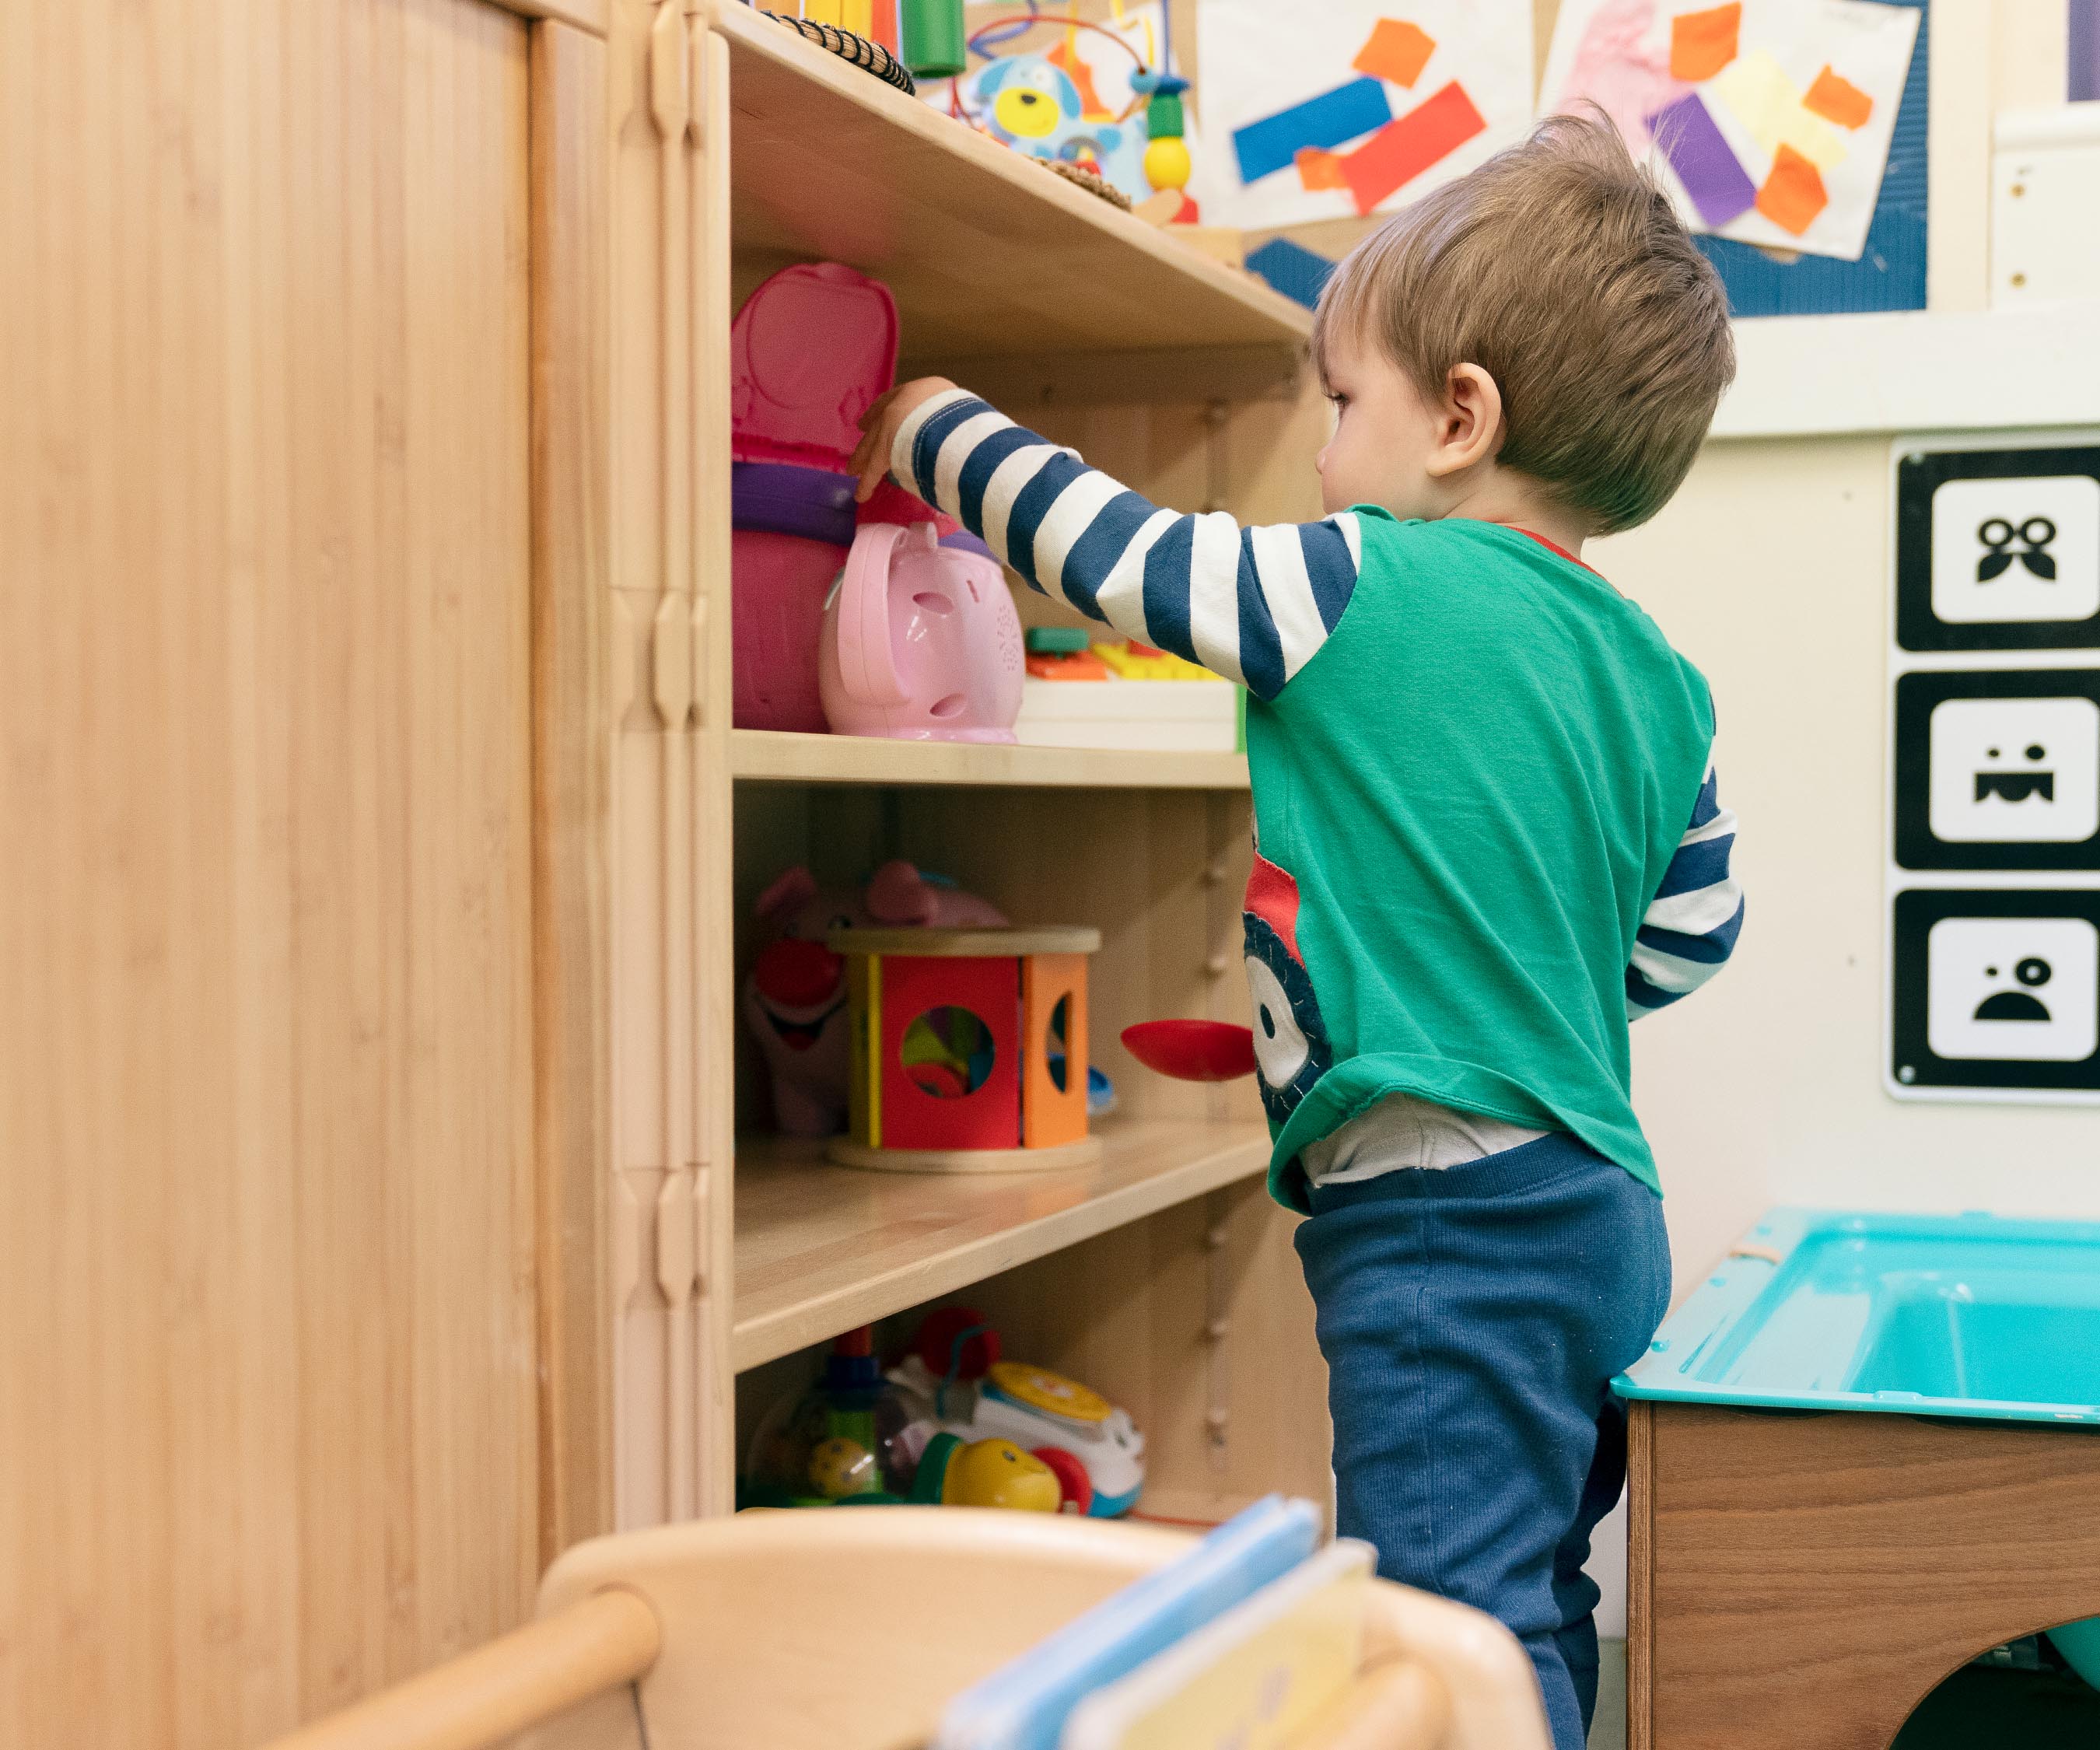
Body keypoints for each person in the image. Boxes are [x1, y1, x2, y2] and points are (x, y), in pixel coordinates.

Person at [851, 111, 1745, 1749]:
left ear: (1461, 419)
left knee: (1434, 1629)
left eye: (1344, 405)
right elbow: (1688, 943)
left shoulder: (1357, 581)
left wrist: (930, 426)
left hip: (1439, 1233)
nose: (1325, 447)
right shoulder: (1658, 675)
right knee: (1534, 1590)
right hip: (1602, 1210)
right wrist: (1497, 954)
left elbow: (1122, 561)